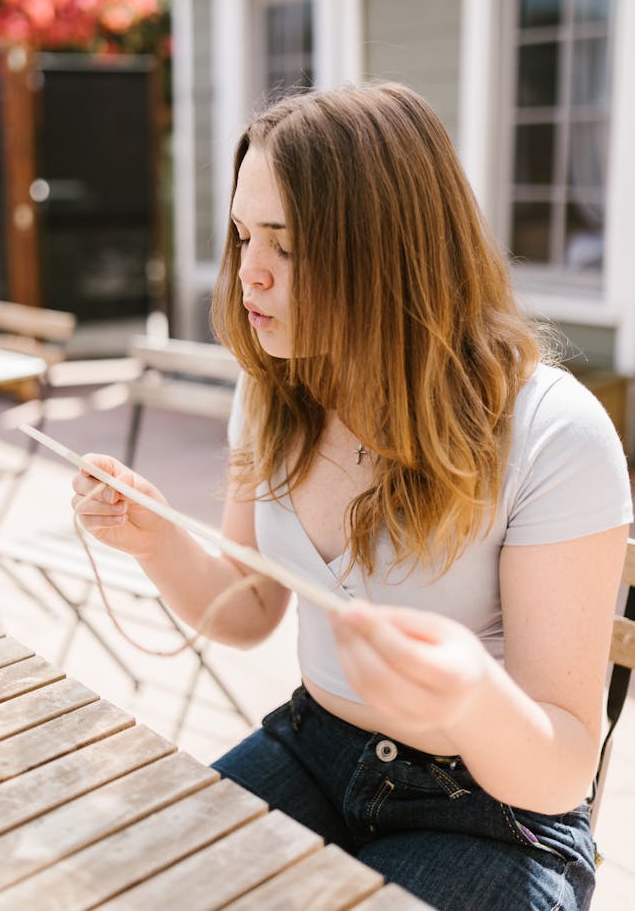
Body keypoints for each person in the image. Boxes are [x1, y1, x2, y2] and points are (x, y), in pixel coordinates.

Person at [72, 82, 633, 911]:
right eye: (240, 236)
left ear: (391, 250)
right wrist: (155, 540)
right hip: (313, 747)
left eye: (286, 246)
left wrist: (472, 696)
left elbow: (559, 770)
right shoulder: (271, 390)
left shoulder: (553, 433)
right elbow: (251, 606)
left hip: (489, 811)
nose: (248, 275)